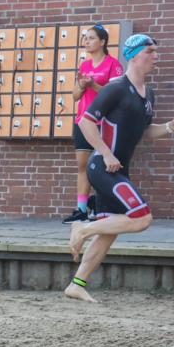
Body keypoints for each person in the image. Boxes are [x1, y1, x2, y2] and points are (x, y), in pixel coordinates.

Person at [65, 34, 174, 303]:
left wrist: (169, 128)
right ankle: (82, 229)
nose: (155, 56)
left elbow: (145, 132)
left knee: (109, 233)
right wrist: (107, 153)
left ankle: (76, 284)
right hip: (103, 166)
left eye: (155, 51)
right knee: (142, 218)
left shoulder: (148, 94)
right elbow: (85, 122)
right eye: (149, 51)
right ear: (132, 55)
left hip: (118, 169)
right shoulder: (116, 88)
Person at [63, 24, 124, 223]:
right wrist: (82, 86)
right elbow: (74, 96)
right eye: (85, 38)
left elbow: (115, 95)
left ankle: (101, 206)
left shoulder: (113, 65)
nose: (86, 41)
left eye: (91, 38)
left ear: (102, 41)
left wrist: (93, 84)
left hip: (104, 122)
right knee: (82, 166)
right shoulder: (84, 66)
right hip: (83, 121)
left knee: (103, 165)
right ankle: (81, 209)